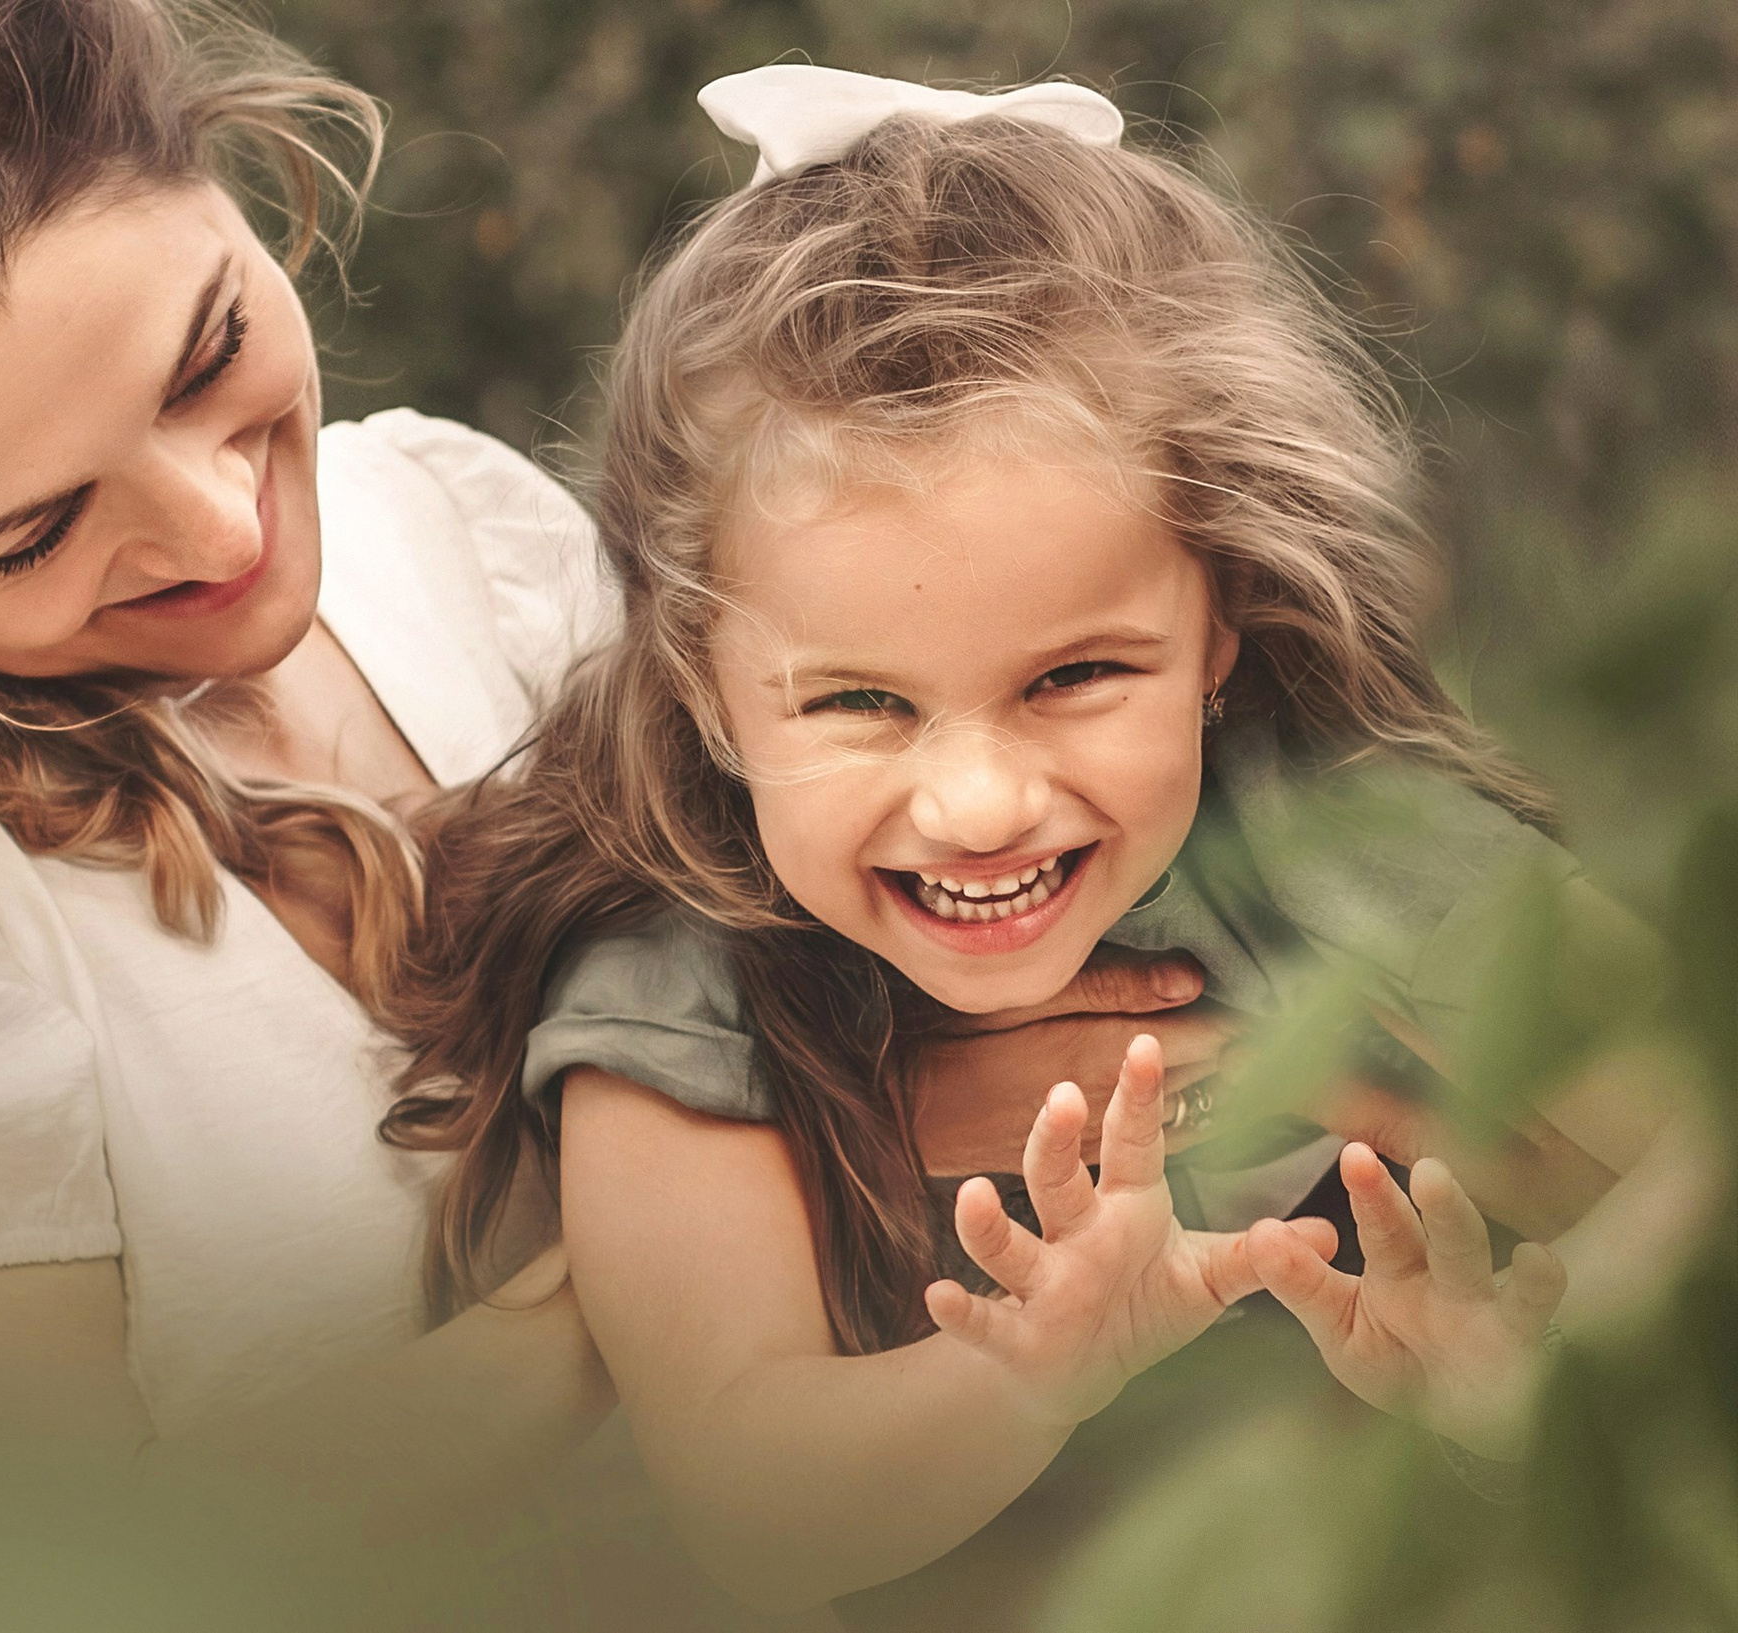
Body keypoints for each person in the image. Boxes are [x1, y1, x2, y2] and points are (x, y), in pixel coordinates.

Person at [0, 6, 1195, 1616]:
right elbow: (46, 1563)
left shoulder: (464, 532)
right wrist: (659, 1262)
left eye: (209, 356)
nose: (221, 528)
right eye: (33, 535)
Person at [382, 68, 1678, 1613]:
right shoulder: (679, 975)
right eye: (862, 702)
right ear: (705, 691)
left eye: (1074, 677)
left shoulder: (1354, 843)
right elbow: (752, 1494)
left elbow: (1693, 1159)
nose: (981, 803)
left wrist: (1534, 1363)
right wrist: (1038, 1370)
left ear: (1218, 625)